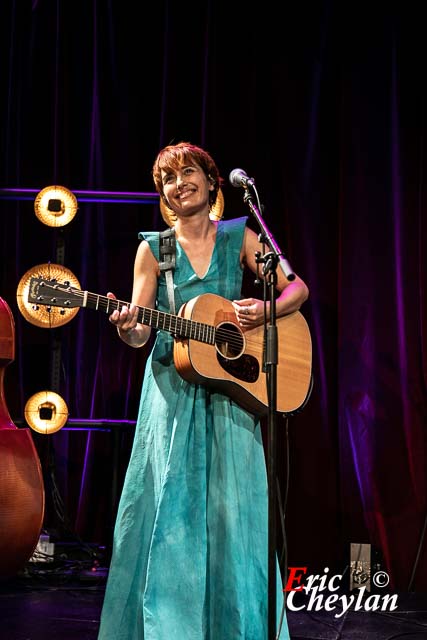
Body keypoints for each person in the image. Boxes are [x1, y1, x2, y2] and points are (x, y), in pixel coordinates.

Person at [97, 141, 309, 639]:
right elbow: (139, 334)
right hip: (172, 393)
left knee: (234, 515)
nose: (179, 183)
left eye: (188, 172)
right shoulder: (153, 249)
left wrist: (265, 310)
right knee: (168, 508)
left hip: (233, 394)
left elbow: (297, 288)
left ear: (213, 182)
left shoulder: (242, 236)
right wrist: (126, 325)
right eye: (168, 179)